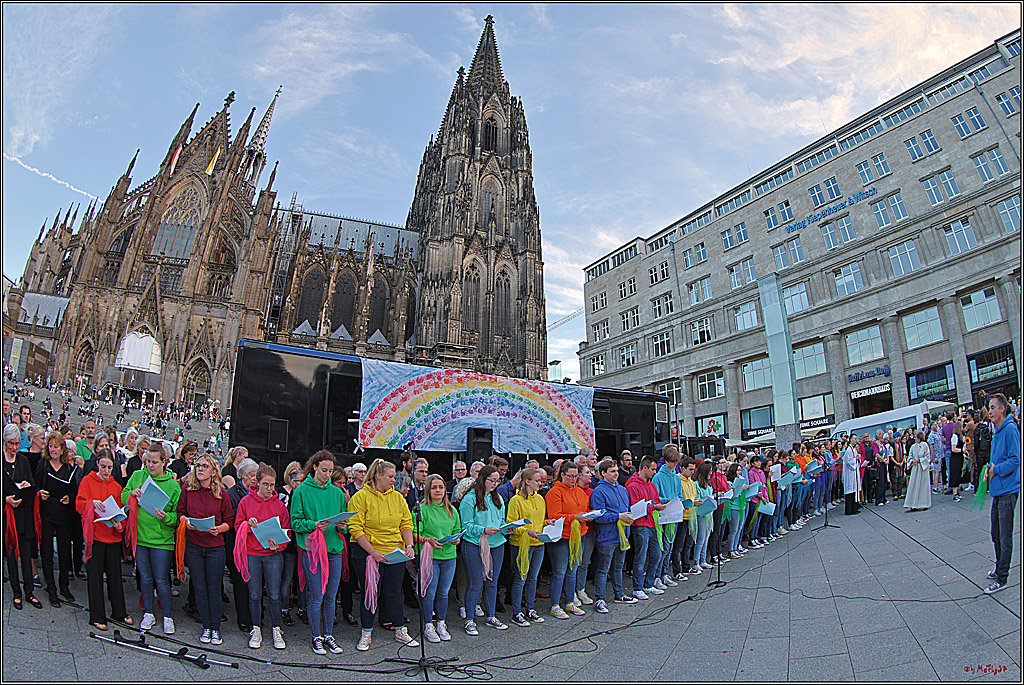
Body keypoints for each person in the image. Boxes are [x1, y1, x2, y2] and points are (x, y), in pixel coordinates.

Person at [348, 457, 418, 650]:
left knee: (394, 592)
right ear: (378, 476)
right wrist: (373, 552)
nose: (394, 480)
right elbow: (356, 528)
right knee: (370, 593)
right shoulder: (361, 497)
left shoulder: (397, 497)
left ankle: (400, 630)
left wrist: (409, 545)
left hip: (394, 552)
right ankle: (366, 633)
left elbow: (406, 523)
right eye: (390, 476)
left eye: (394, 477)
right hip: (367, 553)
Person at [122, 441, 182, 634]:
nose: (150, 465)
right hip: (140, 537)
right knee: (145, 578)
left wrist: (167, 517)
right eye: (148, 461)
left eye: (155, 462)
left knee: (162, 579)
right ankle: (148, 613)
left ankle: (167, 615)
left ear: (164, 462)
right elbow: (123, 496)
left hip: (162, 540)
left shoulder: (173, 485)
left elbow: (177, 514)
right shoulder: (137, 476)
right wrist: (132, 493)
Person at [176, 452, 234, 646]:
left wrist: (219, 529)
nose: (199, 469)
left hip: (215, 547)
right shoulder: (187, 490)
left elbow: (229, 522)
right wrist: (187, 522)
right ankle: (206, 626)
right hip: (194, 544)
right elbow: (180, 513)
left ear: (213, 471)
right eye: (198, 466)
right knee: (199, 588)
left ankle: (215, 627)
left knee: (213, 588)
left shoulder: (222, 494)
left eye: (204, 466)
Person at [236, 463, 290, 650]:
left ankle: (276, 628)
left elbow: (286, 531)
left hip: (273, 555)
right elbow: (237, 526)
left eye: (272, 485)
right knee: (254, 594)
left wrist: (279, 545)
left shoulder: (279, 505)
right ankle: (256, 628)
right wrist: (247, 525)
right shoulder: (246, 502)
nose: (269, 489)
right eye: (265, 484)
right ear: (257, 483)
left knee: (274, 594)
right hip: (252, 553)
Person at [76, 450, 132, 630]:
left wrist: (119, 525)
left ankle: (119, 612)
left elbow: (120, 511)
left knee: (115, 576)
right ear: (97, 465)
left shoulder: (116, 486)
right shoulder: (87, 481)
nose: (106, 471)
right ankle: (97, 615)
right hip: (95, 535)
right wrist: (91, 503)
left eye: (109, 467)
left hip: (112, 535)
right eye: (103, 467)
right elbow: (79, 504)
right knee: (95, 576)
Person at [459, 464, 508, 634]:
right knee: (475, 582)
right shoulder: (469, 498)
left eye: (498, 481)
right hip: (475, 543)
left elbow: (501, 521)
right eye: (492, 480)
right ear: (482, 480)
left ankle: (491, 615)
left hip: (497, 543)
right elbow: (465, 526)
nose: (495, 484)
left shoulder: (498, 498)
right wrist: (483, 530)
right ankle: (469, 619)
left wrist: (507, 528)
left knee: (493, 582)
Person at [414, 474, 462, 641]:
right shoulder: (422, 509)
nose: (438, 490)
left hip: (449, 555)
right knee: (430, 592)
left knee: (444, 593)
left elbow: (457, 528)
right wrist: (427, 540)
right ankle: (428, 625)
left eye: (441, 487)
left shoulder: (451, 509)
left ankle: (441, 622)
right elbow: (414, 533)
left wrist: (456, 538)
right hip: (431, 556)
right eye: (434, 487)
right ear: (428, 490)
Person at [34, 431, 78, 607]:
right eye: (50, 446)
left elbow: (74, 490)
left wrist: (70, 498)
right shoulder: (43, 465)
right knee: (46, 551)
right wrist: (40, 493)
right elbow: (34, 484)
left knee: (64, 551)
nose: (53, 449)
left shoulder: (68, 468)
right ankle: (51, 588)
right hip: (47, 513)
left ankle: (64, 586)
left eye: (56, 447)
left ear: (62, 449)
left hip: (63, 514)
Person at [589, 458, 636, 612]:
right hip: (607, 536)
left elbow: (626, 509)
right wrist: (619, 516)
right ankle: (600, 599)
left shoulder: (622, 489)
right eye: (612, 471)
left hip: (622, 534)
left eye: (616, 471)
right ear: (603, 473)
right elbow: (600, 516)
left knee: (618, 567)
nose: (616, 474)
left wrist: (629, 516)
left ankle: (619, 593)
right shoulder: (599, 491)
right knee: (603, 569)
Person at [544, 460, 590, 619]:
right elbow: (554, 516)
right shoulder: (555, 492)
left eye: (576, 476)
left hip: (579, 535)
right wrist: (574, 517)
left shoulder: (579, 491)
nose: (573, 479)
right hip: (562, 537)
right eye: (570, 476)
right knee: (560, 572)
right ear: (562, 475)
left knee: (573, 571)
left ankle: (570, 602)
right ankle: (555, 605)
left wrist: (589, 515)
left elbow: (585, 508)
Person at [984, 393, 1020, 594]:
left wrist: (995, 470)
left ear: (1002, 409)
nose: (990, 411)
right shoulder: (997, 430)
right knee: (995, 533)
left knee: (1005, 536)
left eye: (992, 407)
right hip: (998, 490)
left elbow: (1015, 460)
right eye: (989, 407)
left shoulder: (1010, 430)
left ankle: (1002, 578)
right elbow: (997, 459)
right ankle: (999, 567)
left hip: (1008, 490)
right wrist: (988, 470)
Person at [506, 467, 549, 626]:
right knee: (520, 578)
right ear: (527, 482)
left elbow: (540, 520)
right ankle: (516, 612)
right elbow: (511, 525)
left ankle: (530, 609)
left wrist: (547, 523)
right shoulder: (515, 500)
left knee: (533, 578)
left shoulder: (540, 499)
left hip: (539, 543)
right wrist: (526, 531)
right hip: (521, 544)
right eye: (537, 481)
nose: (540, 484)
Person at [3, 423, 39, 609]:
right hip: (7, 516)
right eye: (11, 443)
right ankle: (16, 592)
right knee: (10, 555)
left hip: (23, 514)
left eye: (17, 443)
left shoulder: (23, 461)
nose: (14, 447)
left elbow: (32, 484)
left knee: (25, 553)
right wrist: (6, 500)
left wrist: (26, 485)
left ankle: (29, 592)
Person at [625, 456, 667, 599]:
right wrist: (653, 507)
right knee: (641, 557)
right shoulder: (633, 486)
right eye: (653, 469)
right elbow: (635, 508)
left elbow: (655, 500)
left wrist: (659, 505)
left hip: (652, 524)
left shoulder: (651, 485)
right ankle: (638, 587)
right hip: (641, 525)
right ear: (645, 468)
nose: (654, 472)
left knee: (656, 555)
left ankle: (648, 584)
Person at [226, 458, 258, 634]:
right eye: (251, 475)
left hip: (254, 546)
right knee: (240, 584)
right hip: (237, 545)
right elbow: (231, 520)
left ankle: (255, 616)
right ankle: (243, 619)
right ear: (242, 476)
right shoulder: (232, 494)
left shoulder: (257, 493)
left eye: (256, 475)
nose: (254, 479)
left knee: (254, 583)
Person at [651, 446, 683, 588]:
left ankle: (664, 573)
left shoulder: (676, 477)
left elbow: (680, 495)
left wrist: (679, 501)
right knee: (662, 547)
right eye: (672, 462)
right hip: (664, 514)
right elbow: (656, 497)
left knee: (669, 547)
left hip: (674, 514)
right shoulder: (658, 476)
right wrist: (666, 500)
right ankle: (657, 575)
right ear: (667, 460)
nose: (675, 465)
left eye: (676, 462)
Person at [278, 460, 303, 627]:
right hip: (288, 542)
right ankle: (284, 608)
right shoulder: (282, 493)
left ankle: (302, 608)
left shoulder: (304, 494)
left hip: (302, 542)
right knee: (287, 577)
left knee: (302, 578)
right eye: (298, 480)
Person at [903, 431, 932, 512]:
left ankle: (924, 504)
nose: (914, 438)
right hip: (915, 468)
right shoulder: (913, 446)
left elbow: (927, 457)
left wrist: (920, 460)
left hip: (923, 468)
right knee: (914, 485)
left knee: (923, 486)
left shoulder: (924, 445)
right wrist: (912, 461)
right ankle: (913, 504)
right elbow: (910, 456)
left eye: (916, 437)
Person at [843, 435, 862, 515]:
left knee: (854, 490)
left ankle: (854, 508)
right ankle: (849, 510)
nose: (856, 440)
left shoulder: (853, 449)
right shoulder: (848, 450)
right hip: (850, 473)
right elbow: (849, 461)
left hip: (854, 473)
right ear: (851, 440)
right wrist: (856, 459)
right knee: (850, 490)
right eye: (855, 439)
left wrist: (858, 458)